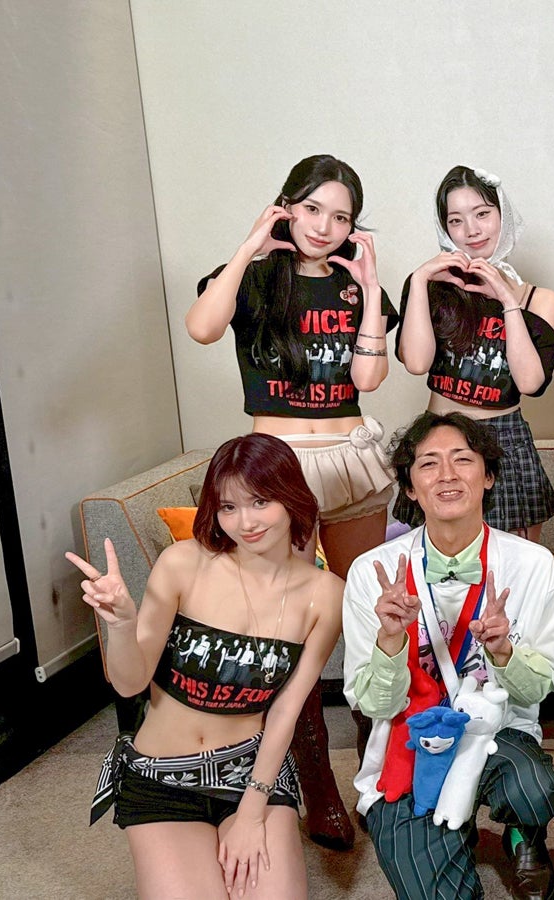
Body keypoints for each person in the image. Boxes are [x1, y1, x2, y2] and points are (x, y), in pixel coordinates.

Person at [188, 154, 399, 846]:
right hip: (278, 465)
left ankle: (376, 775)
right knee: (291, 628)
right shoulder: (253, 278)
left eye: (341, 216)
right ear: (287, 207)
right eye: (312, 210)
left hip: (350, 455)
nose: (325, 226)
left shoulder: (354, 283)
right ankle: (319, 789)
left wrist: (370, 288)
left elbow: (368, 377)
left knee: (366, 615)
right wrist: (253, 242)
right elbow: (202, 327)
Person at [74, 433, 343, 898]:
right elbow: (129, 683)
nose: (246, 522)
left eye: (260, 501)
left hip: (251, 772)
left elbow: (286, 709)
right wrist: (122, 624)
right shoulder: (182, 564)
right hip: (161, 775)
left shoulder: (325, 594)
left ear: (291, 497)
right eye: (228, 507)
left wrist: (253, 813)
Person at [343, 412, 554, 900]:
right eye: (428, 463)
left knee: (532, 786)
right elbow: (372, 705)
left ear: (488, 477)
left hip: (496, 732)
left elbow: (543, 686)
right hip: (411, 741)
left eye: (462, 460)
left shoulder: (530, 564)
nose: (446, 474)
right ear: (410, 487)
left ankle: (521, 830)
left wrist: (504, 652)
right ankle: (448, 831)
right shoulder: (372, 572)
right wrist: (390, 642)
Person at [396, 165, 554, 541]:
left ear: (503, 216)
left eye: (482, 214)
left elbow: (530, 383)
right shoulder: (430, 284)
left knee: (514, 567)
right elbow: (417, 363)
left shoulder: (539, 299)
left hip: (506, 438)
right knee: (439, 564)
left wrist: (506, 299)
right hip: (441, 431)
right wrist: (420, 280)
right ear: (445, 228)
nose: (471, 230)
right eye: (456, 220)